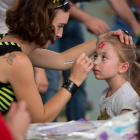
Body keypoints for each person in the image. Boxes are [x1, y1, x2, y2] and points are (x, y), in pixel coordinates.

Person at [0, 0, 132, 123]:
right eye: (59, 26)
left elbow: (61, 60)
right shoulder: (18, 61)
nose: (60, 34)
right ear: (41, 21)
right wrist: (74, 81)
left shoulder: (7, 42)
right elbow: (40, 119)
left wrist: (103, 38)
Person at [92, 34, 140, 120]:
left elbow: (122, 131)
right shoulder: (105, 93)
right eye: (96, 56)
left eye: (104, 57)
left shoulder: (126, 98)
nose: (95, 62)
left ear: (123, 67)